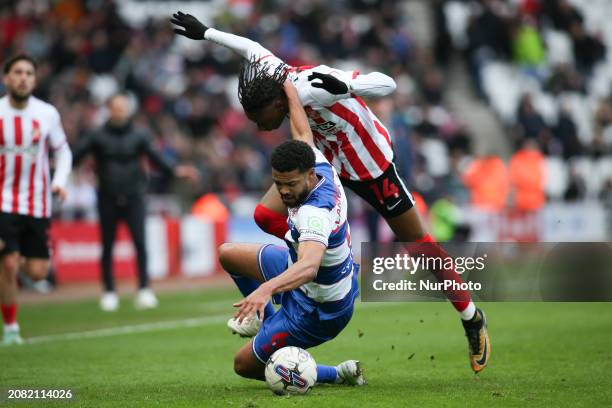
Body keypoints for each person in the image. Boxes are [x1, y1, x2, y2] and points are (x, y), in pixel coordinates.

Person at [172, 12, 490, 372]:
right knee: (264, 215)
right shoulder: (273, 77)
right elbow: (251, 47)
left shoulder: (314, 86)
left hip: (370, 164)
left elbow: (387, 85)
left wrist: (349, 87)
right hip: (323, 160)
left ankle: (471, 317)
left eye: (261, 118)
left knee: (418, 244)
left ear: (279, 103)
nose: (260, 128)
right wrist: (207, 33)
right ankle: (315, 263)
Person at [218, 81, 363, 385]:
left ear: (309, 177)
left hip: (319, 310)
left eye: (290, 185)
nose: (283, 191)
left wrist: (266, 289)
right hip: (302, 272)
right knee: (227, 254)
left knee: (243, 365)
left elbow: (309, 267)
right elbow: (301, 132)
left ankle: (336, 374)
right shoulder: (316, 163)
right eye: (278, 183)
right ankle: (267, 322)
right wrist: (287, 86)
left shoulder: (315, 214)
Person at [72, 93, 198, 312]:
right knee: (107, 245)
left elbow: (155, 157)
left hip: (134, 197)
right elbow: (76, 155)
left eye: (123, 107)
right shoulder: (97, 135)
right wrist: (58, 167)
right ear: (109, 109)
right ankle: (109, 292)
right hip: (107, 197)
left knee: (140, 243)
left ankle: (144, 290)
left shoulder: (139, 134)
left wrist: (176, 170)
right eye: (116, 107)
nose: (120, 110)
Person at [0, 54, 73, 345]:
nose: (23, 78)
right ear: (7, 78)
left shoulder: (47, 113)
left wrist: (59, 182)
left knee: (37, 271)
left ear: (34, 79)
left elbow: (63, 152)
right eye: (17, 72)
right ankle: (11, 328)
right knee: (7, 263)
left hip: (37, 203)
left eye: (28, 73)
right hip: (3, 201)